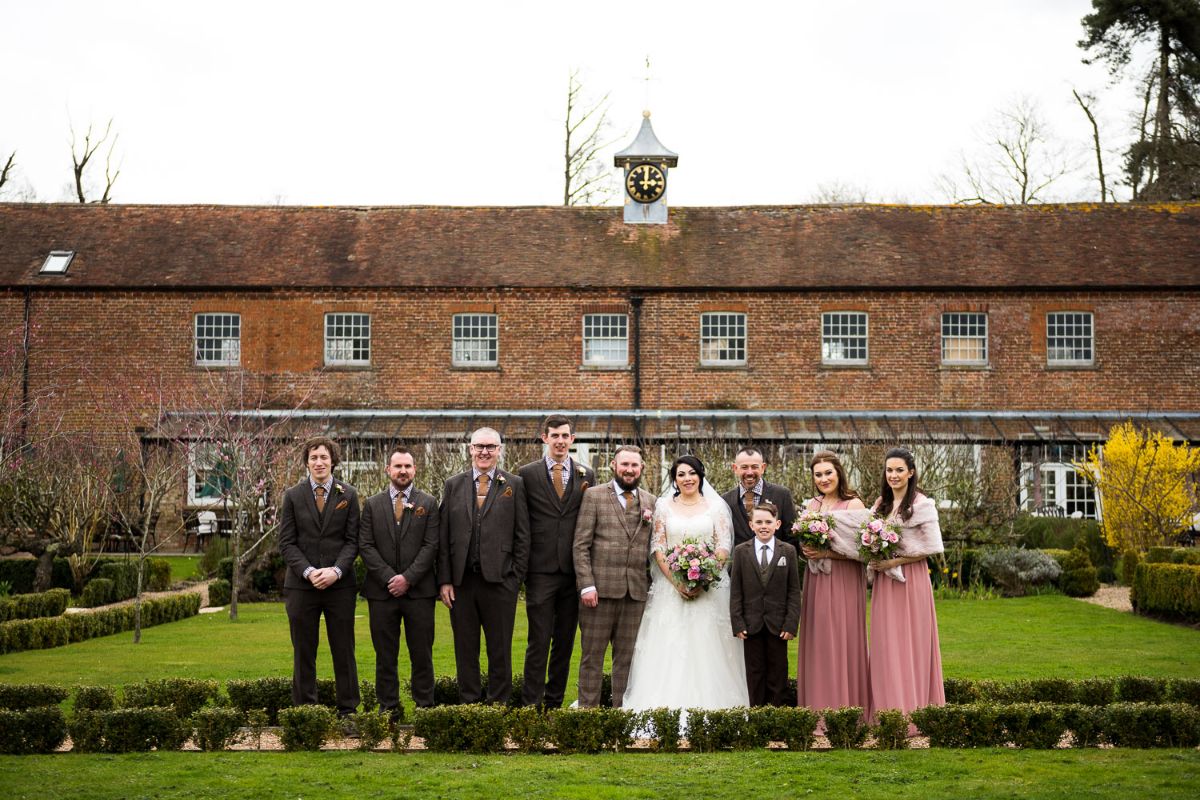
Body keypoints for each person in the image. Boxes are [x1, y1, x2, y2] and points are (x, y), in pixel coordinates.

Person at [622, 455, 749, 711]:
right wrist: (678, 582)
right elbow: (659, 548)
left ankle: (718, 708)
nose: (687, 478)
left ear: (700, 476)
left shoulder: (716, 507)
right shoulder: (663, 507)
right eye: (681, 474)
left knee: (710, 648)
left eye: (692, 473)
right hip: (671, 591)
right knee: (670, 647)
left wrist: (704, 579)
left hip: (710, 591)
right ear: (675, 479)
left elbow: (724, 546)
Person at [438, 427, 530, 705]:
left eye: (490, 447)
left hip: (500, 582)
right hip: (461, 582)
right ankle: (469, 705)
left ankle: (499, 704)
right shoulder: (453, 484)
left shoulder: (514, 484)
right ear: (470, 450)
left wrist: (514, 579)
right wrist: (444, 580)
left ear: (499, 450)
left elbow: (523, 535)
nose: (484, 452)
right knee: (465, 648)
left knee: (499, 649)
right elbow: (443, 535)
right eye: (479, 446)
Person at [277, 436, 361, 716]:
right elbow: (287, 542)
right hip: (302, 587)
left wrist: (336, 571)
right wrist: (310, 571)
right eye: (313, 457)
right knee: (303, 651)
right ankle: (306, 712)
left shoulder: (348, 495)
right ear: (306, 462)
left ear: (333, 461)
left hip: (340, 587)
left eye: (324, 457)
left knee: (344, 650)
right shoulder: (292, 495)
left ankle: (348, 711)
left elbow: (353, 541)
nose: (319, 462)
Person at [518, 414, 596, 708]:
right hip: (540, 570)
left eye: (565, 436)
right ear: (545, 438)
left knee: (564, 643)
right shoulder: (527, 474)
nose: (561, 441)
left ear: (572, 440)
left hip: (573, 573)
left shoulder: (586, 475)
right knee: (538, 641)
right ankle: (530, 704)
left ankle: (553, 704)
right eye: (555, 436)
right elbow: (522, 523)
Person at [358, 446, 440, 720]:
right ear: (388, 470)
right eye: (398, 466)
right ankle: (388, 708)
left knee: (422, 654)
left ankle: (424, 708)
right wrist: (388, 578)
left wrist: (408, 578)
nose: (403, 471)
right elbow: (366, 545)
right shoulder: (372, 504)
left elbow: (431, 546)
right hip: (382, 594)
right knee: (385, 655)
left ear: (415, 469)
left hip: (419, 593)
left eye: (407, 466)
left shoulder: (428, 503)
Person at [572, 445, 656, 708]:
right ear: (614, 466)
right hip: (599, 593)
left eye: (634, 465)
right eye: (624, 465)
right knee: (592, 658)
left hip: (635, 594)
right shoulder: (594, 496)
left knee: (627, 659)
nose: (629, 470)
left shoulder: (651, 501)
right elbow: (581, 545)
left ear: (641, 468)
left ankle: (622, 713)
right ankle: (589, 714)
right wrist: (586, 585)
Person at [866, 447, 945, 724]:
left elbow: (932, 548)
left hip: (911, 582)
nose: (894, 475)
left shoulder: (923, 504)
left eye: (899, 470)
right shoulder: (879, 505)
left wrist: (893, 561)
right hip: (885, 586)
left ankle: (914, 712)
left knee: (911, 643)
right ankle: (887, 711)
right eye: (889, 470)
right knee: (885, 644)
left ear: (911, 472)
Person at [796, 450, 870, 717]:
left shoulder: (854, 505)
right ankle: (817, 708)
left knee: (843, 636)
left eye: (828, 473)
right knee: (818, 639)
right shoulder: (812, 506)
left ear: (839, 473)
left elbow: (864, 551)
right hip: (816, 579)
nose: (824, 478)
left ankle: (848, 708)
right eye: (818, 474)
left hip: (845, 580)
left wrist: (827, 553)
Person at [730, 501, 802, 707]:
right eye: (758, 522)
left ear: (777, 524)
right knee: (755, 672)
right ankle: (757, 717)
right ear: (751, 524)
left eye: (768, 522)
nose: (764, 526)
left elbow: (793, 591)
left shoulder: (787, 551)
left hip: (778, 625)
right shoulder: (741, 552)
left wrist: (790, 624)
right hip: (750, 625)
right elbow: (736, 591)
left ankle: (776, 718)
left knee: (778, 672)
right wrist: (738, 622)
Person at [722, 446, 798, 549]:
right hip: (740, 563)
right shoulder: (725, 500)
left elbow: (792, 536)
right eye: (744, 467)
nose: (749, 472)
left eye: (754, 467)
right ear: (735, 468)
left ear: (762, 468)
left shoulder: (782, 495)